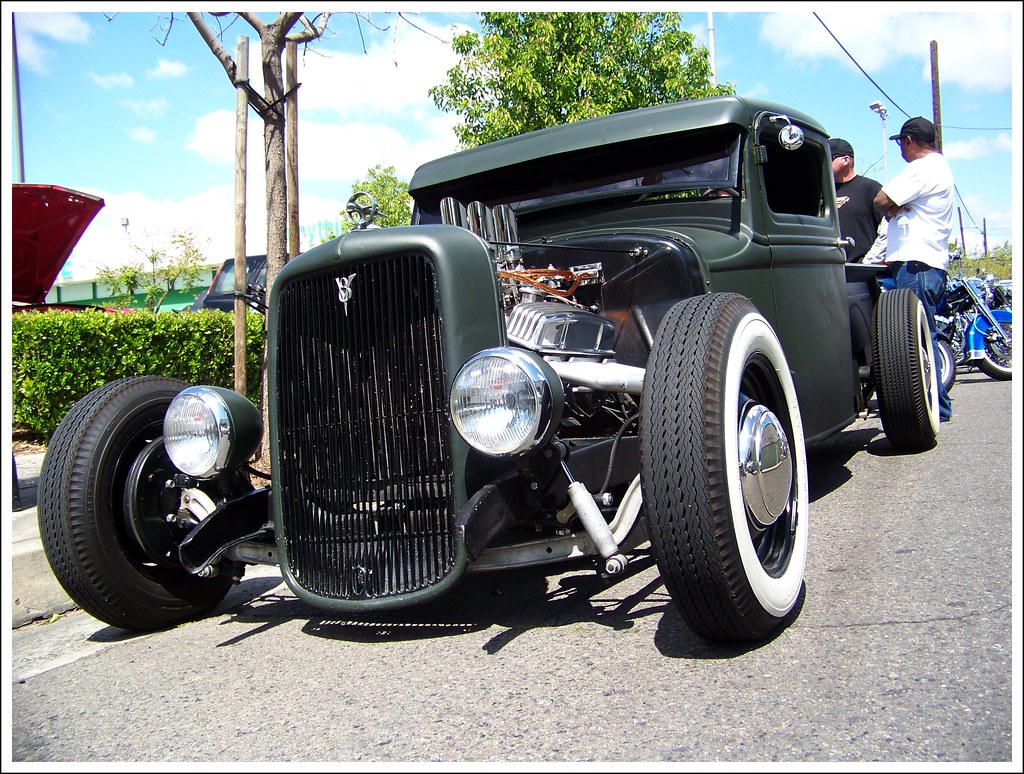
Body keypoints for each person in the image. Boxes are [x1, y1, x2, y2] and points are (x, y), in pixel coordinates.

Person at [872, 116, 955, 422]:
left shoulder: (923, 168)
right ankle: (936, 405)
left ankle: (934, 407)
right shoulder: (939, 167)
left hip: (915, 265)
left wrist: (891, 208)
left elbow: (880, 199)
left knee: (914, 339)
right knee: (921, 336)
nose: (900, 150)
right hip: (925, 264)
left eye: (900, 143)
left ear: (908, 141)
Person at [830, 138, 883, 262]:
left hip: (860, 270)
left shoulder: (870, 188)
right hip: (828, 268)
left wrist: (868, 261)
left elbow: (888, 228)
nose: (824, 163)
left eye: (829, 158)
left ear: (846, 160)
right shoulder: (823, 191)